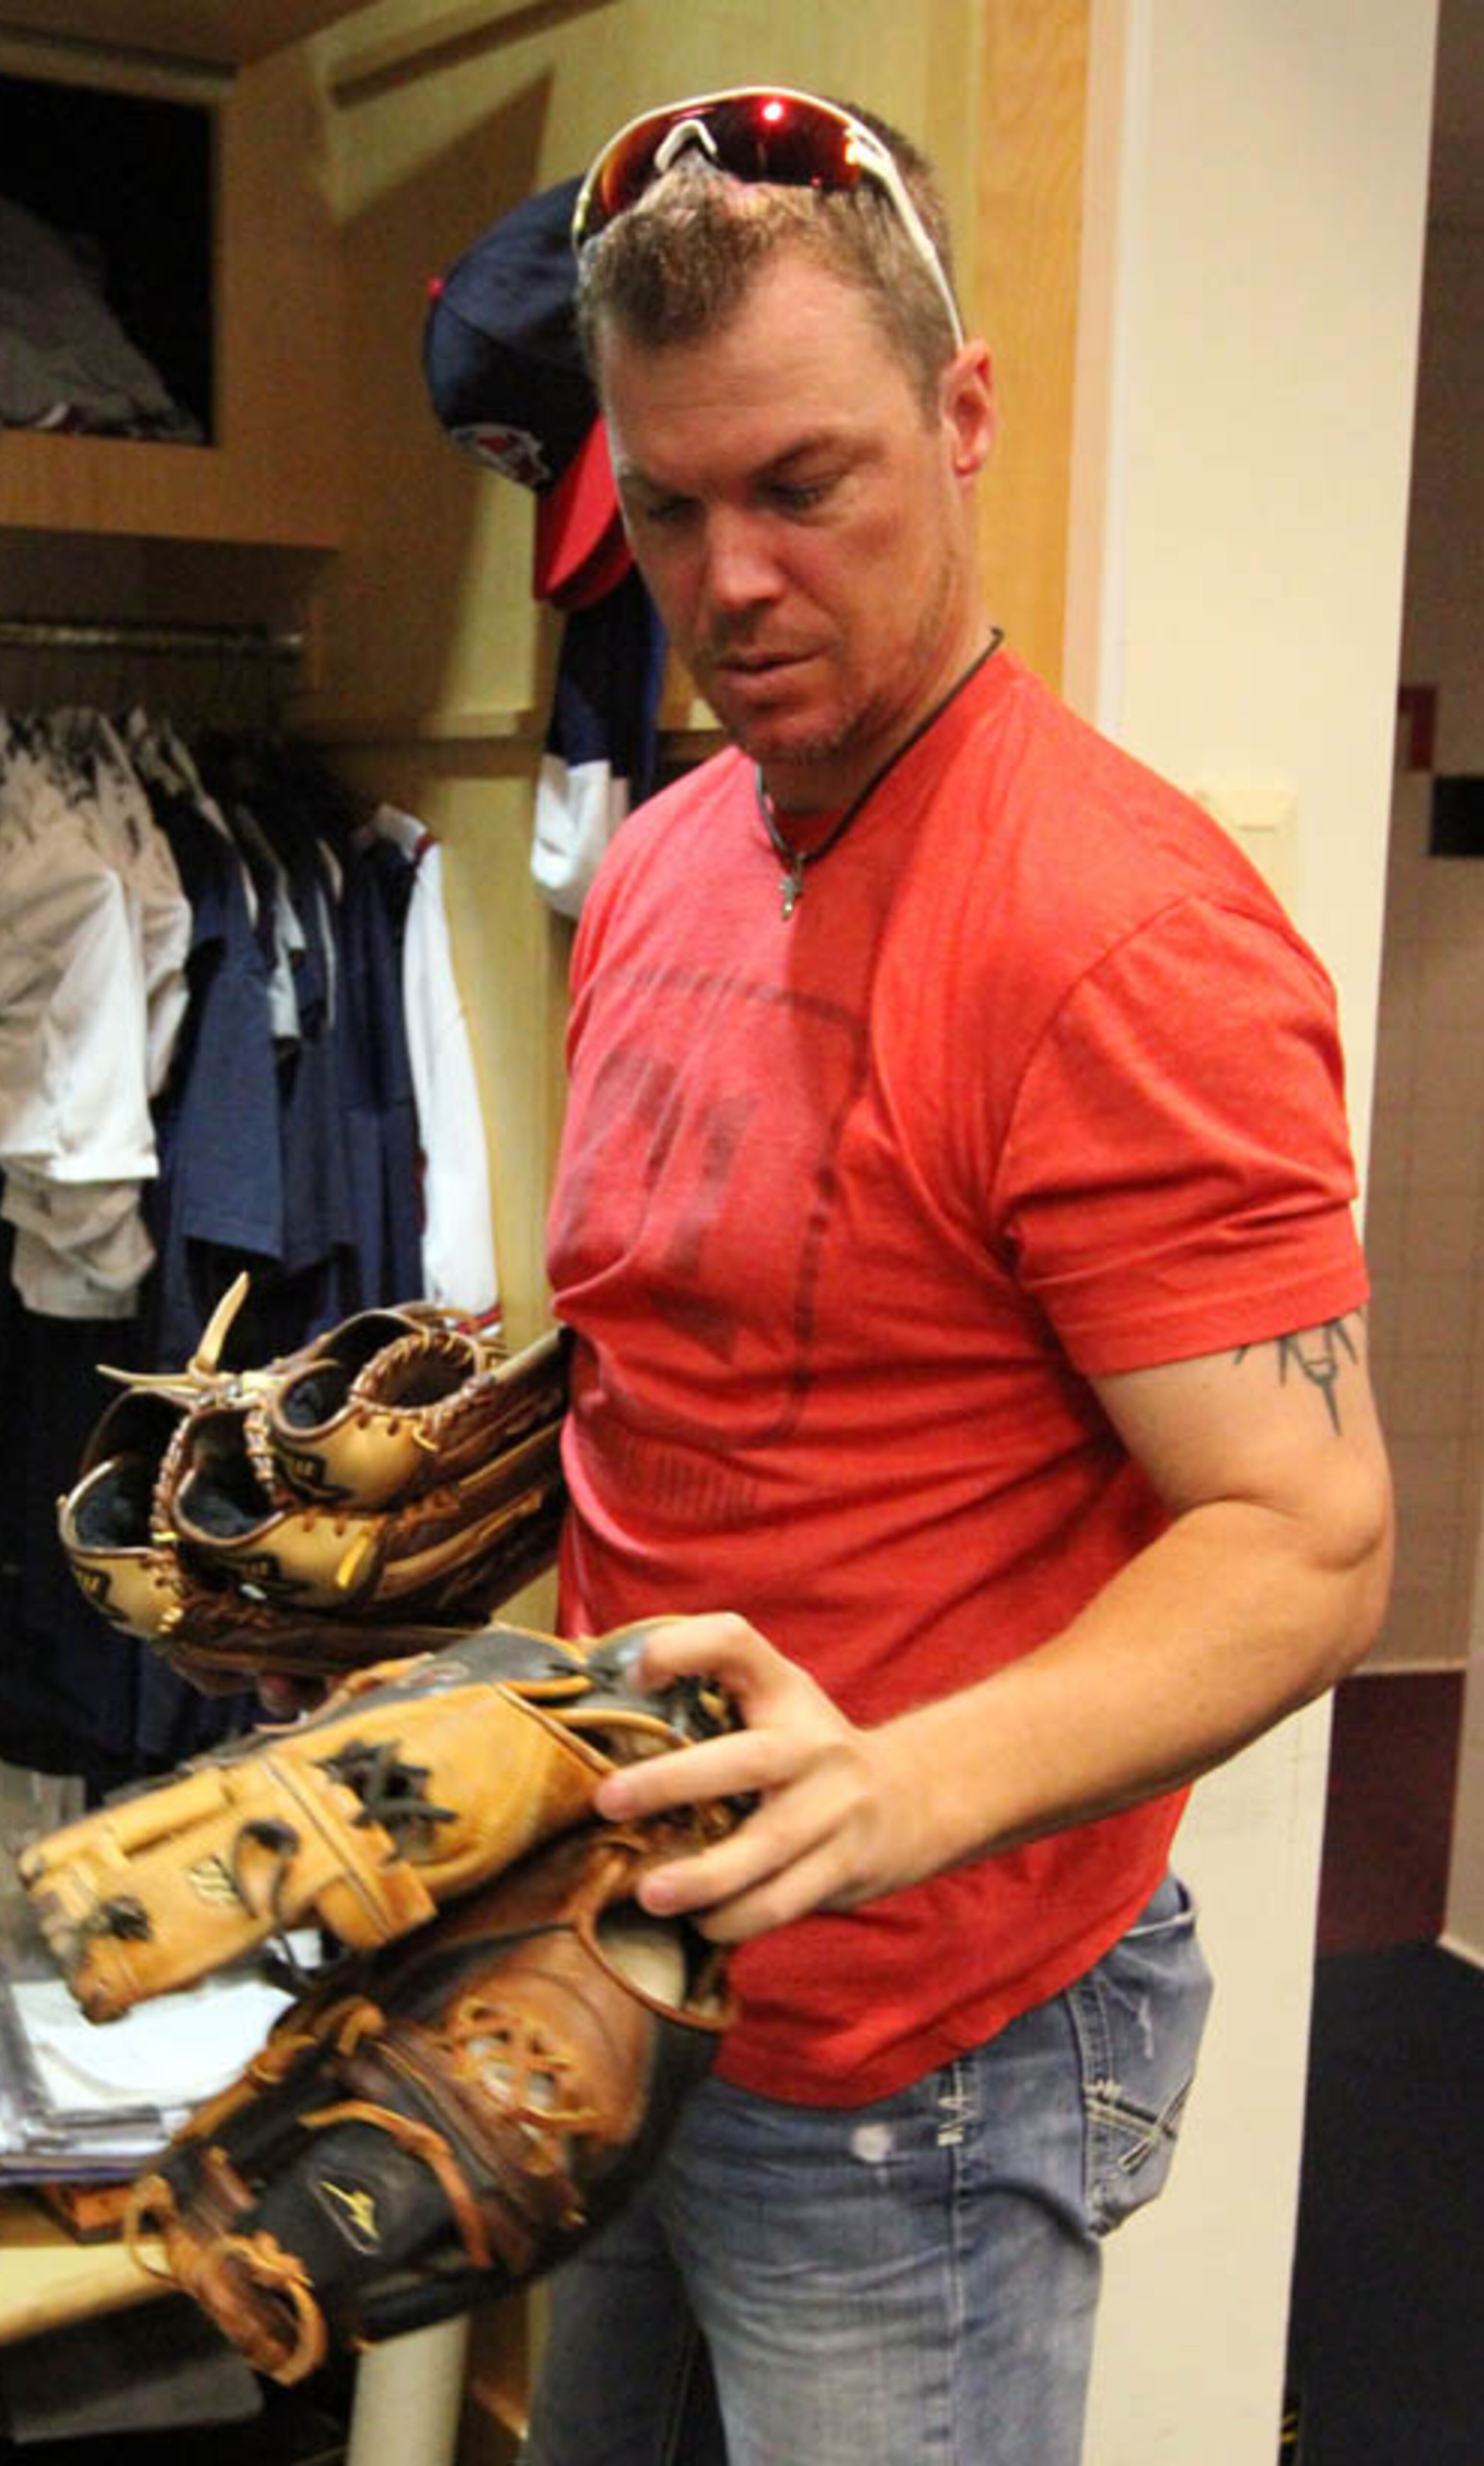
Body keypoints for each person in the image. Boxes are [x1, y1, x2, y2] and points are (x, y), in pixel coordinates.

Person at [521, 86, 1394, 2466]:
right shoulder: (677, 857)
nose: (733, 584)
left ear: (964, 411)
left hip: (927, 2055)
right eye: (672, 509)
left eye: (806, 487)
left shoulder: (1121, 937)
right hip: (629, 1982)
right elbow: (682, 1372)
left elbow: (1307, 1542)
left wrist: (890, 1798)